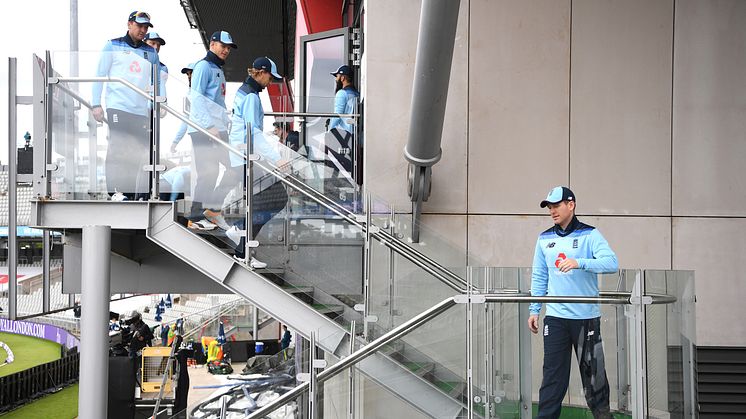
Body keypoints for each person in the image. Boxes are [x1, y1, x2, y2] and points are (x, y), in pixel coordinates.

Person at [528, 186, 618, 419]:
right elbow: (540, 276)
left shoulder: (590, 234)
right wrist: (534, 309)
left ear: (571, 204)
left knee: (594, 378)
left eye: (556, 205)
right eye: (549, 207)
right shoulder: (544, 238)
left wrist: (580, 262)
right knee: (552, 379)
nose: (552, 211)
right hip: (556, 319)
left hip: (586, 319)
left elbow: (611, 263)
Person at [224, 57, 287, 269]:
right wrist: (277, 158)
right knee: (277, 197)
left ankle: (243, 244)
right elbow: (255, 133)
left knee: (262, 200)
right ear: (260, 72)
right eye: (270, 76)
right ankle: (242, 239)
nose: (271, 82)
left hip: (244, 156)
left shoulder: (245, 91)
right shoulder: (251, 96)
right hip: (247, 157)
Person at [92, 11, 159, 201]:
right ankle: (115, 191)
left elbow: (156, 83)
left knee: (136, 153)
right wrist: (96, 104)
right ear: (129, 24)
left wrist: (155, 103)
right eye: (140, 26)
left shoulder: (151, 52)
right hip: (117, 106)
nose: (143, 30)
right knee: (119, 147)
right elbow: (99, 75)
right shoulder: (112, 45)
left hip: (140, 110)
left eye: (146, 27)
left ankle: (128, 194)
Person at [187, 31, 237, 230]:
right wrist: (209, 125)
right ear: (212, 44)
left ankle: (212, 210)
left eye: (228, 48)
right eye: (223, 46)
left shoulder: (217, 68)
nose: (226, 50)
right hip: (204, 129)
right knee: (208, 173)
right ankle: (196, 216)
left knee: (235, 167)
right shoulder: (203, 66)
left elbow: (218, 102)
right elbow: (196, 98)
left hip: (218, 128)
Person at [171, 62, 196, 154]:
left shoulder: (207, 91)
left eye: (191, 73)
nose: (189, 76)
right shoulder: (188, 94)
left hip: (212, 133)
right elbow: (186, 120)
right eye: (188, 74)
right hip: (197, 135)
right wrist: (175, 142)